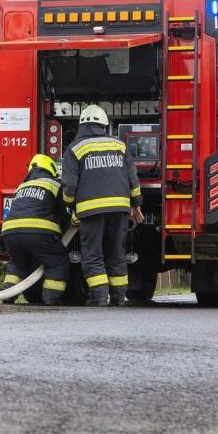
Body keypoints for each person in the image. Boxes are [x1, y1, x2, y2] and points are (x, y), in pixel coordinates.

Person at [61, 105, 144, 306]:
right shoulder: (119, 145)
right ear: (104, 125)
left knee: (92, 254)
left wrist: (70, 207)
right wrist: (137, 206)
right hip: (120, 210)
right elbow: (133, 179)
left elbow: (70, 184)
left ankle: (99, 297)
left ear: (81, 125)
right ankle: (118, 297)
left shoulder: (75, 148)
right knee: (117, 253)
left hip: (90, 211)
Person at [1, 154, 70, 305]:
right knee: (57, 261)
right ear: (51, 168)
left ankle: (7, 295)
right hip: (38, 233)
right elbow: (63, 214)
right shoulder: (54, 184)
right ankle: (51, 299)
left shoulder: (22, 186)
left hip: (10, 232)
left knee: (18, 263)